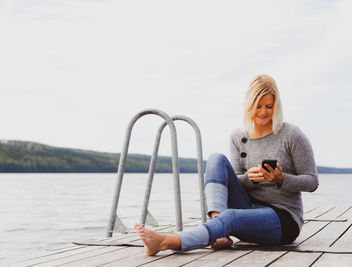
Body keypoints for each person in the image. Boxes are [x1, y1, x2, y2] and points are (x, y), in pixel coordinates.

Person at [134, 74, 319, 256]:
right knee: (216, 159)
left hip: (283, 219)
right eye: (258, 106)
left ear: (276, 106)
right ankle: (218, 228)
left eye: (269, 106)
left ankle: (167, 241)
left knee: (230, 217)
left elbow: (312, 181)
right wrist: (249, 179)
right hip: (247, 206)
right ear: (248, 105)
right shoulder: (238, 137)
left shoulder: (292, 135)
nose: (263, 112)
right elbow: (235, 180)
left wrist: (281, 178)